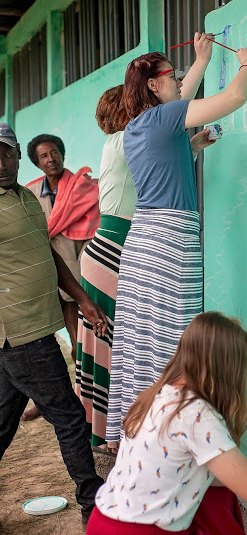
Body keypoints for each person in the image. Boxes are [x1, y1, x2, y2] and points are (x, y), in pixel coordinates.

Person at [105, 33, 247, 451]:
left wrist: (192, 145)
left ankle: (144, 432)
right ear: (155, 86)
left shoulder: (139, 126)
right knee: (176, 336)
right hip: (170, 240)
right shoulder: (162, 118)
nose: (179, 81)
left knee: (147, 337)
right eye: (172, 77)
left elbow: (165, 161)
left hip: (147, 240)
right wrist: (245, 64)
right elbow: (233, 100)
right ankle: (172, 437)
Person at [87, 312, 247, 534]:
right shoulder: (197, 414)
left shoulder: (161, 395)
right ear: (229, 369)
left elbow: (196, 473)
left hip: (103, 522)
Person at [0, 121, 109, 526]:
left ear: (14, 155)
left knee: (3, 423)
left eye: (6, 153)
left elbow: (50, 257)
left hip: (25, 332)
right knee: (68, 417)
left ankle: (91, 506)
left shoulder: (27, 199)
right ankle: (92, 508)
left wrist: (84, 300)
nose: (0, 162)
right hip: (22, 332)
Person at [74, 86, 136, 450]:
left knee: (108, 342)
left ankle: (107, 429)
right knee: (112, 342)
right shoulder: (122, 140)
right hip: (113, 250)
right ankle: (109, 434)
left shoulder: (121, 145)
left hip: (108, 250)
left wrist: (192, 147)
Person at [25, 133, 99, 359]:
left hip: (75, 271)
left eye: (54, 152)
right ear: (37, 163)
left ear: (62, 154)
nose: (51, 159)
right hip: (43, 270)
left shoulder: (83, 188)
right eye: (44, 156)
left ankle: (83, 382)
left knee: (81, 343)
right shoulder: (30, 194)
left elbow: (95, 227)